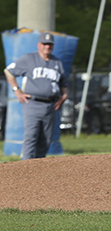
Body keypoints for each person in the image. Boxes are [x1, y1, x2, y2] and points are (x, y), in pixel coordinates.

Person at [4, 32, 68, 160]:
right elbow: (8, 72)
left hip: (51, 105)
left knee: (45, 139)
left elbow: (63, 83)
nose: (47, 47)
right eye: (44, 44)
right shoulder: (29, 59)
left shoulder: (57, 62)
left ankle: (39, 170)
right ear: (39, 45)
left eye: (50, 44)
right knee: (31, 136)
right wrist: (17, 91)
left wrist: (64, 95)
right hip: (32, 103)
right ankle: (26, 167)